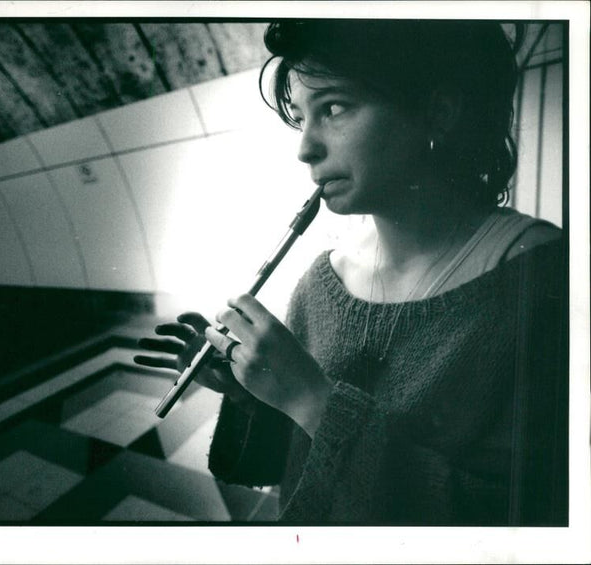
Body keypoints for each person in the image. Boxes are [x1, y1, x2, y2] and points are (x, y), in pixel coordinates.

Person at [134, 20, 567, 525]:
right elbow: (293, 461)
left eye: (334, 108)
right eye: (302, 116)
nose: (305, 147)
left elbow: (527, 519)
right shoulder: (324, 279)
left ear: (437, 112)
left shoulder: (543, 280)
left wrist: (316, 403)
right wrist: (249, 391)